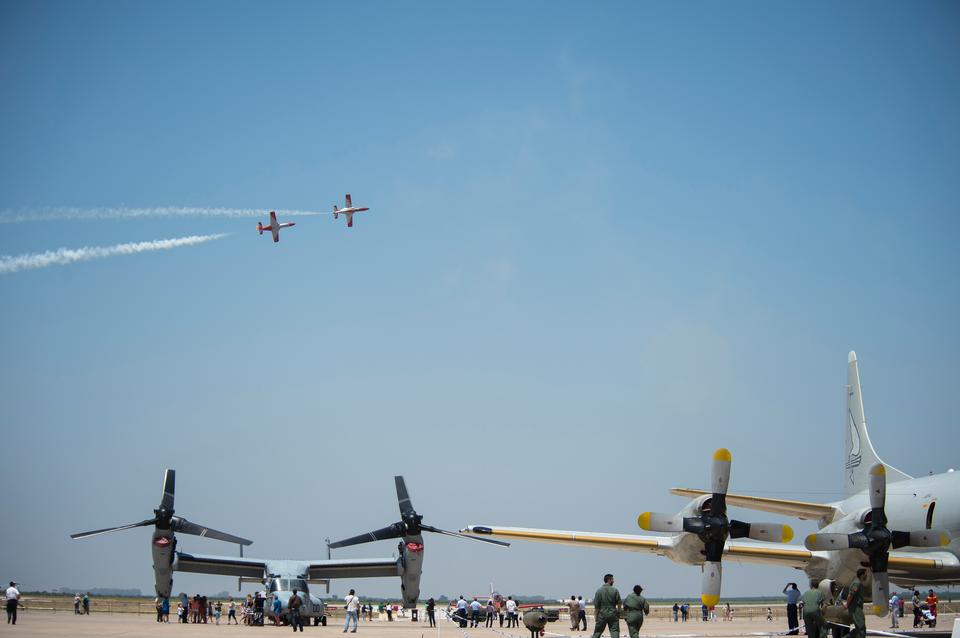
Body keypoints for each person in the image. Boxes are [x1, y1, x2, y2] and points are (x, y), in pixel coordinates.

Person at [591, 573, 622, 638]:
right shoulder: (615, 590)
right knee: (615, 632)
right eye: (612, 580)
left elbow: (596, 606)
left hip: (602, 614)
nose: (613, 581)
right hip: (613, 613)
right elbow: (619, 603)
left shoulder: (599, 591)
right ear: (609, 580)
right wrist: (619, 612)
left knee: (597, 632)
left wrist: (596, 616)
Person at [844, 569, 867, 638]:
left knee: (859, 628)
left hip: (857, 608)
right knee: (861, 628)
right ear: (862, 575)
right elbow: (850, 595)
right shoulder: (856, 583)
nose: (866, 576)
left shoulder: (858, 583)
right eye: (866, 574)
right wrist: (847, 605)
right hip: (855, 608)